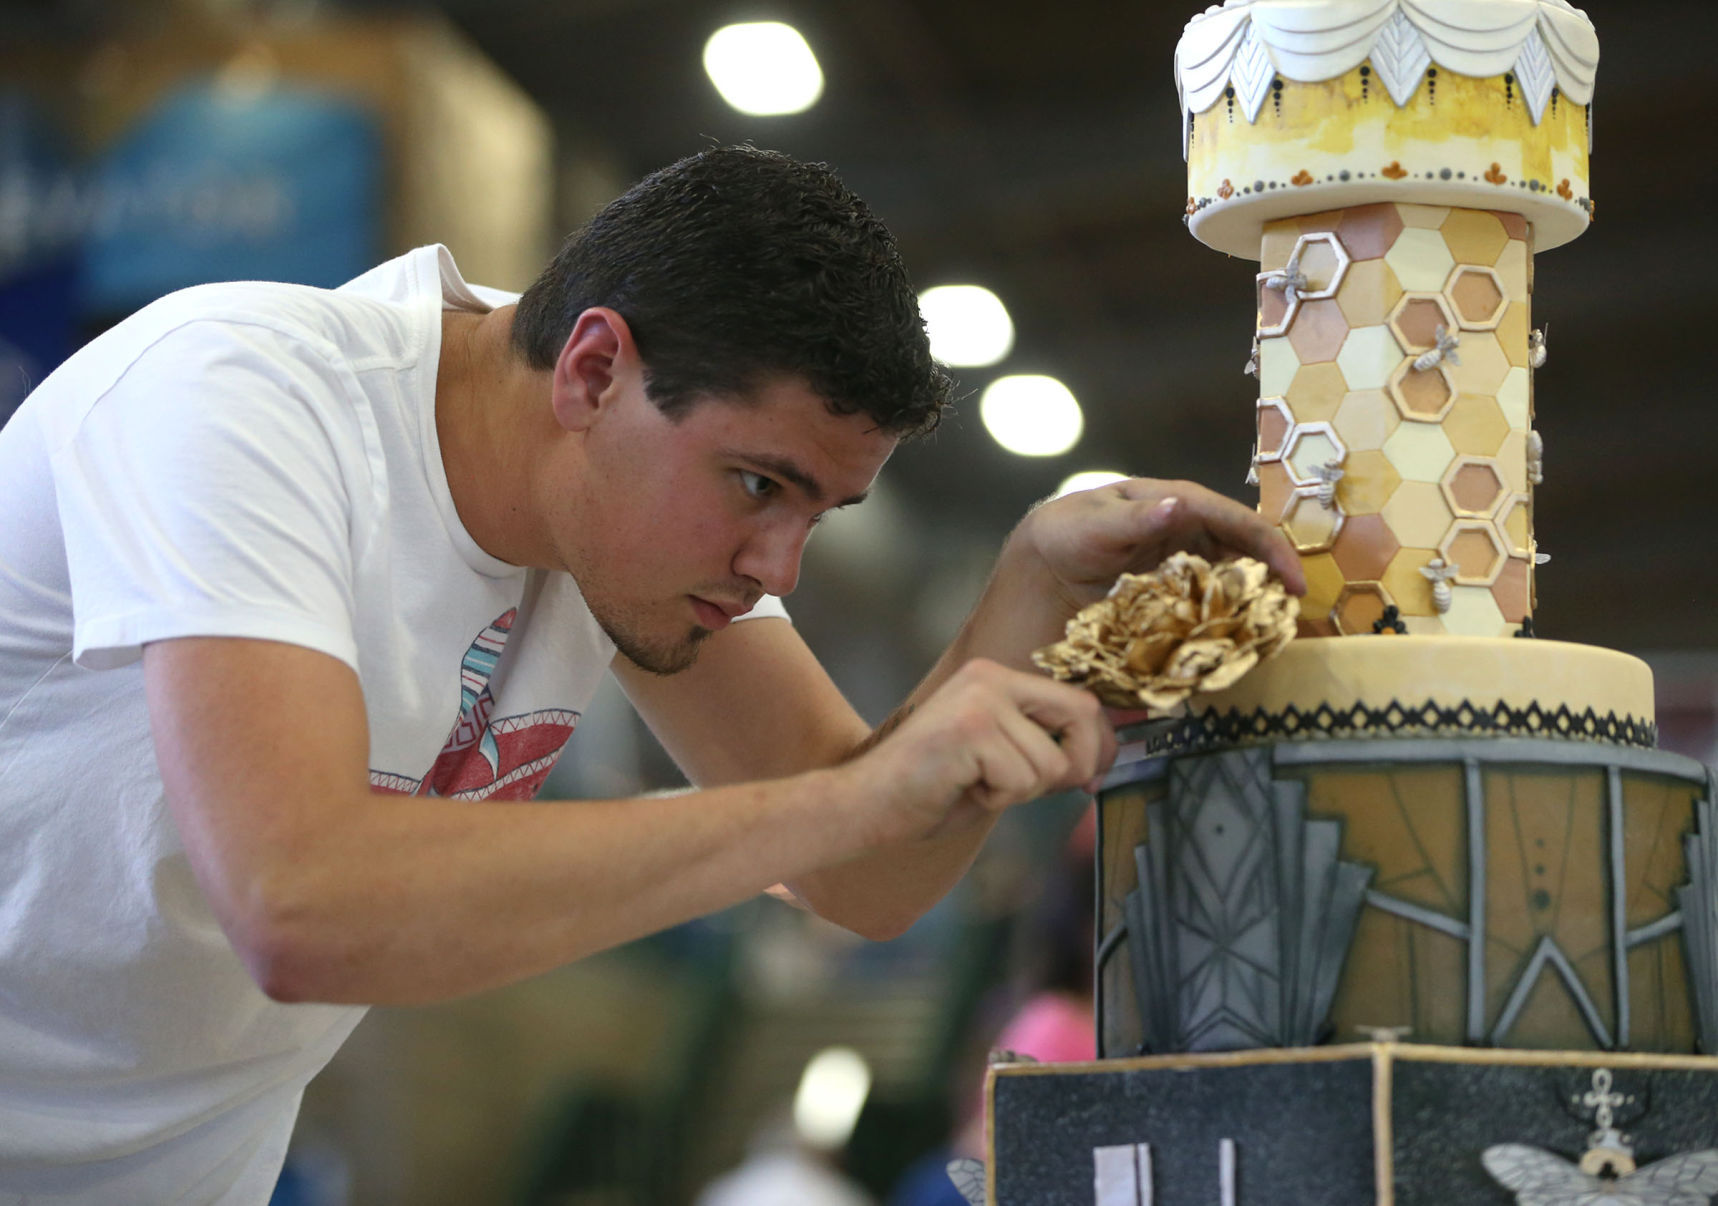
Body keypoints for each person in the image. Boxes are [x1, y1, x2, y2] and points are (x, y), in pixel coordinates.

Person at [0, 144, 1302, 1202]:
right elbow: (297, 905)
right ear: (594, 368)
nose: (777, 564)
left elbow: (864, 871)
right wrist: (845, 800)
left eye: (819, 512)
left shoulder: (620, 535)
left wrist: (1022, 595)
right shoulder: (239, 396)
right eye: (757, 483)